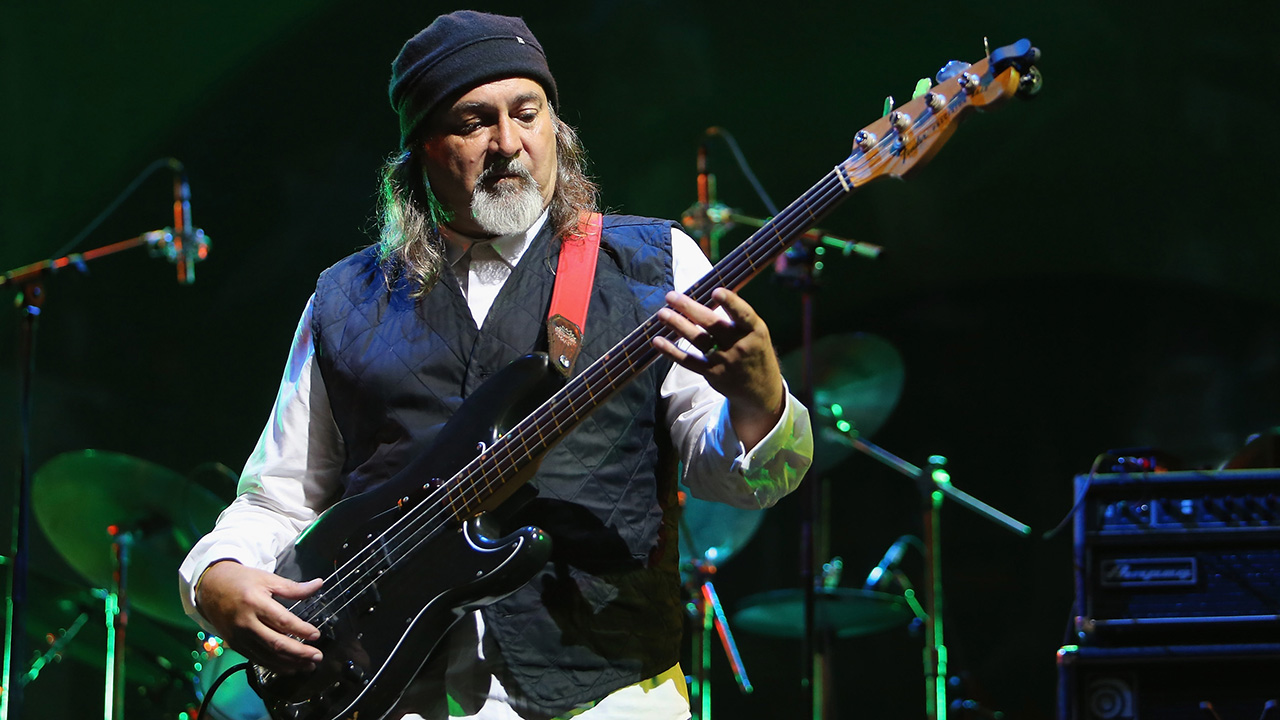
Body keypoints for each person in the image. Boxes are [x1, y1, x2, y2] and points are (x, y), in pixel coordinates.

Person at [179, 10, 812, 720]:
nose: (508, 143)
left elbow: (747, 481)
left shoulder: (654, 266)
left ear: (555, 127)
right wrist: (214, 576)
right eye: (474, 121)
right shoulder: (344, 300)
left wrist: (759, 399)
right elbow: (279, 496)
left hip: (606, 693)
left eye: (527, 113)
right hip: (395, 694)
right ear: (420, 147)